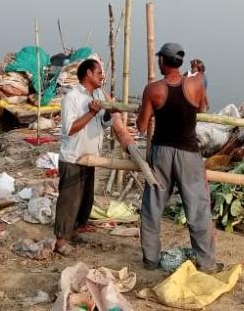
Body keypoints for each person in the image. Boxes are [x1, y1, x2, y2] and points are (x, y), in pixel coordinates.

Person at [137, 42, 218, 272]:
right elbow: (203, 108)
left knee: (152, 207)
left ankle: (151, 260)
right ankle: (207, 263)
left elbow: (142, 126)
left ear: (163, 61)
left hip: (161, 153)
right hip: (189, 154)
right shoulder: (197, 82)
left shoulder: (153, 89)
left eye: (159, 58)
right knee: (198, 210)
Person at [54, 59, 136, 255]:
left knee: (85, 199)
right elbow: (70, 129)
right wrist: (91, 112)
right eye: (99, 72)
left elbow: (104, 124)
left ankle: (75, 230)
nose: (102, 76)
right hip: (74, 157)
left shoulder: (98, 94)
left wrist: (108, 113)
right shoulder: (72, 97)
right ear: (89, 74)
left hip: (90, 157)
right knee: (69, 201)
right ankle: (60, 241)